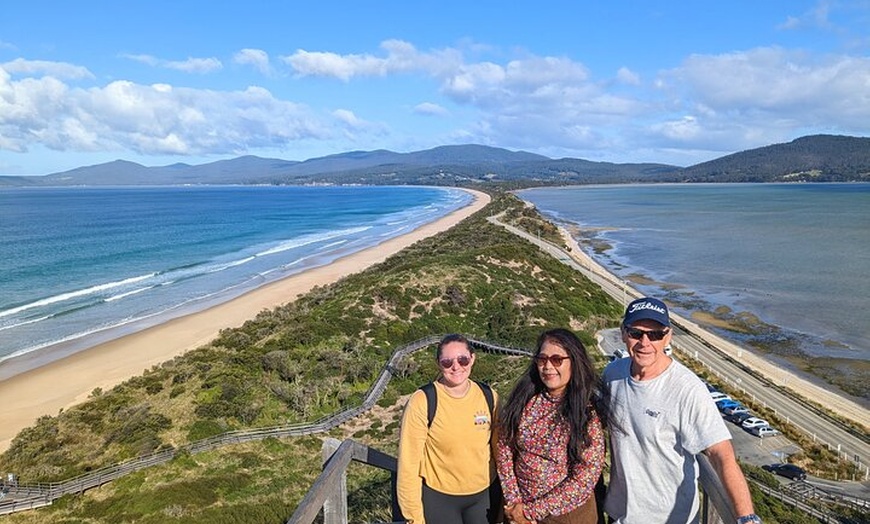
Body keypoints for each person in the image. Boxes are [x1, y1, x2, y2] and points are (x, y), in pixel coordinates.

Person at [603, 297, 760, 524]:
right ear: (624, 333)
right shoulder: (612, 374)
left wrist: (747, 517)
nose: (645, 342)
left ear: (668, 336)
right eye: (636, 333)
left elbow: (721, 454)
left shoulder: (687, 389)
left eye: (655, 334)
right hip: (619, 515)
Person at [495, 328, 608, 524]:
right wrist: (514, 502)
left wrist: (531, 512)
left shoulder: (585, 413)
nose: (547, 366)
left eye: (557, 359)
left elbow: (585, 478)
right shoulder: (525, 399)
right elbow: (505, 447)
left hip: (566, 516)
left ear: (574, 362)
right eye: (542, 359)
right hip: (519, 510)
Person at [397, 333, 500, 524]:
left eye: (463, 359)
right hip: (439, 498)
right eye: (447, 362)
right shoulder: (423, 401)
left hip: (484, 495)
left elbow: (500, 450)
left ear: (473, 359)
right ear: (438, 363)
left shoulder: (489, 396)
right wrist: (414, 517)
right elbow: (409, 464)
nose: (456, 367)